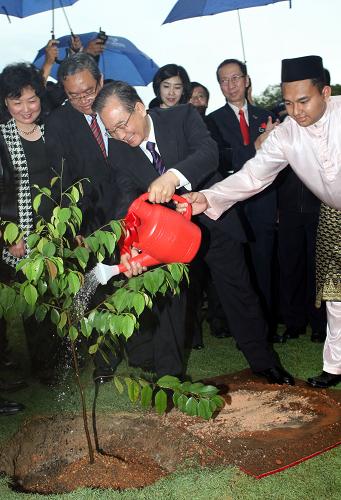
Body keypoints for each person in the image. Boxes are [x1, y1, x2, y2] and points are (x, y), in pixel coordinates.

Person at [93, 80, 295, 386]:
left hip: (213, 219)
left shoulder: (183, 116)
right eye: (112, 131)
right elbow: (125, 202)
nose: (121, 135)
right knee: (170, 304)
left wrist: (172, 177)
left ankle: (264, 362)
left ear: (139, 108)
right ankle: (168, 381)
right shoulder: (119, 152)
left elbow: (208, 153)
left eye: (122, 125)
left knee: (238, 292)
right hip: (167, 238)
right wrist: (128, 245)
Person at [179, 55, 341, 389]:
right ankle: (335, 366)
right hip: (333, 214)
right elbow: (251, 176)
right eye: (288, 103)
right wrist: (208, 197)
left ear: (324, 92)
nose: (296, 111)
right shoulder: (284, 136)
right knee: (336, 297)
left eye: (304, 101)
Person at [0, 62, 63, 385]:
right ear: (6, 103)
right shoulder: (1, 138)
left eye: (32, 99)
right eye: (16, 101)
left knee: (57, 297)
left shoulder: (55, 130)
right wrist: (8, 234)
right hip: (16, 233)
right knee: (32, 303)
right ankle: (42, 368)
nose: (26, 109)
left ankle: (59, 358)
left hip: (56, 228)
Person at [205, 59, 278, 335]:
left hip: (264, 202)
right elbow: (218, 159)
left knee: (264, 265)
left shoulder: (266, 116)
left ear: (246, 80)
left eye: (236, 78)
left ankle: (267, 326)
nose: (231, 84)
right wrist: (253, 147)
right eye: (224, 80)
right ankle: (240, 327)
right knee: (237, 269)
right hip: (231, 206)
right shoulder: (211, 121)